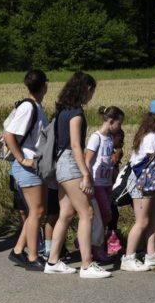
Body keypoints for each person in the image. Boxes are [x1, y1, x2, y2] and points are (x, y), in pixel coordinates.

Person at [44, 71, 111, 278]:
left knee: (66, 214)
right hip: (71, 163)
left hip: (60, 165)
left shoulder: (62, 110)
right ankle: (86, 264)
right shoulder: (75, 113)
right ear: (87, 89)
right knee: (87, 213)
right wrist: (85, 174)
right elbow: (75, 144)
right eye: (92, 92)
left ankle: (53, 261)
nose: (91, 97)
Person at [120, 99, 155, 272]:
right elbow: (152, 163)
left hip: (150, 183)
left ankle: (151, 255)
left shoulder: (149, 134)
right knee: (142, 221)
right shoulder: (151, 137)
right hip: (142, 183)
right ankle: (128, 257)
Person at [5, 69, 49, 271]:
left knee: (36, 212)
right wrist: (22, 159)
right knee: (37, 211)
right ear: (43, 85)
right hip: (28, 166)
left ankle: (17, 250)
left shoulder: (36, 107)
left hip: (34, 166)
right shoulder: (29, 107)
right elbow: (9, 135)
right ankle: (32, 257)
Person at [84, 106, 124, 263]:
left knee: (103, 217)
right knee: (104, 216)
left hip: (107, 184)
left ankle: (87, 241)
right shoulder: (97, 137)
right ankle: (97, 248)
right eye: (119, 123)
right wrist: (88, 179)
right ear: (111, 121)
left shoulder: (109, 139)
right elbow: (87, 160)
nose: (120, 127)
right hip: (97, 183)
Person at [106, 128, 125, 256]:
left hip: (111, 189)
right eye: (120, 139)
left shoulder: (116, 152)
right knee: (109, 216)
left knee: (114, 216)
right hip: (105, 189)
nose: (122, 142)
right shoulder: (110, 153)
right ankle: (110, 244)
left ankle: (112, 242)